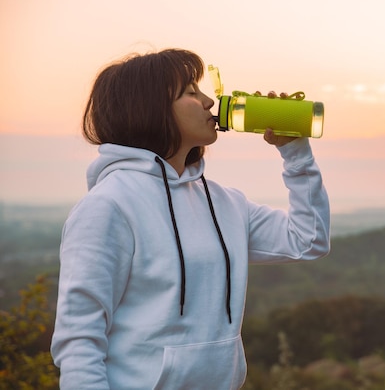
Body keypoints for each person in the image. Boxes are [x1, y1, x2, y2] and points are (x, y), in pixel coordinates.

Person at [50, 48, 331, 390]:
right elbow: (79, 337)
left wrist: (295, 152)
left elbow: (309, 240)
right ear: (150, 108)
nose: (210, 102)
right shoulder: (108, 205)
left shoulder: (225, 202)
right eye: (190, 93)